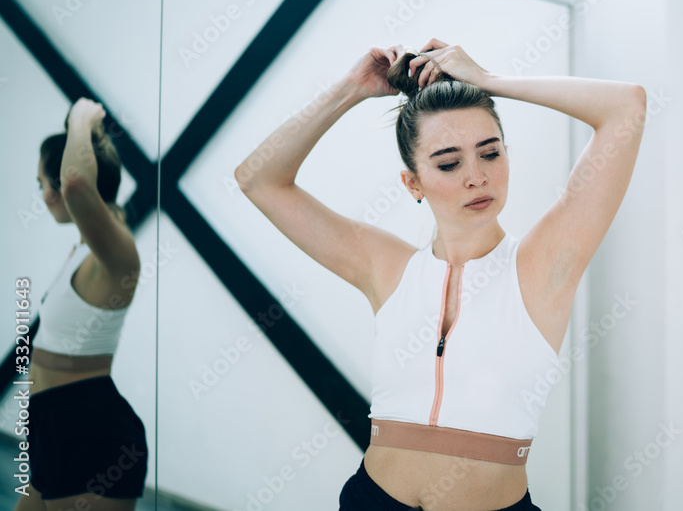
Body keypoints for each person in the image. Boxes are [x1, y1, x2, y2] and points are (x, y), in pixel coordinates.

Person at [235, 39, 645, 510]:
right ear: (413, 183)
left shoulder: (542, 265)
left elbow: (626, 106)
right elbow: (258, 179)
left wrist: (490, 81)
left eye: (490, 154)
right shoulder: (385, 266)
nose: (476, 176)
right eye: (449, 163)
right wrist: (351, 89)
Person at [15, 98, 148, 511]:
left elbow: (76, 182)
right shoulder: (85, 248)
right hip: (50, 423)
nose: (44, 195)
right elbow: (80, 185)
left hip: (90, 433)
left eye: (46, 183)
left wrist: (81, 119)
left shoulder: (118, 255)